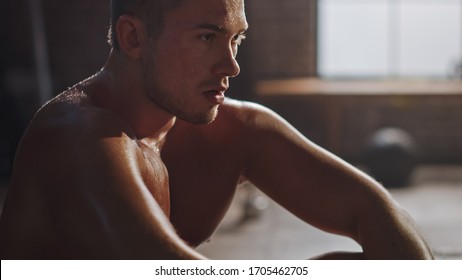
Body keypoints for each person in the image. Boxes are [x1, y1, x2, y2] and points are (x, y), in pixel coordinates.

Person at [0, 0, 434, 260]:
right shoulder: (78, 137)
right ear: (133, 38)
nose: (232, 65)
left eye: (236, 40)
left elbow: (376, 212)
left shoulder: (230, 128)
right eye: (208, 38)